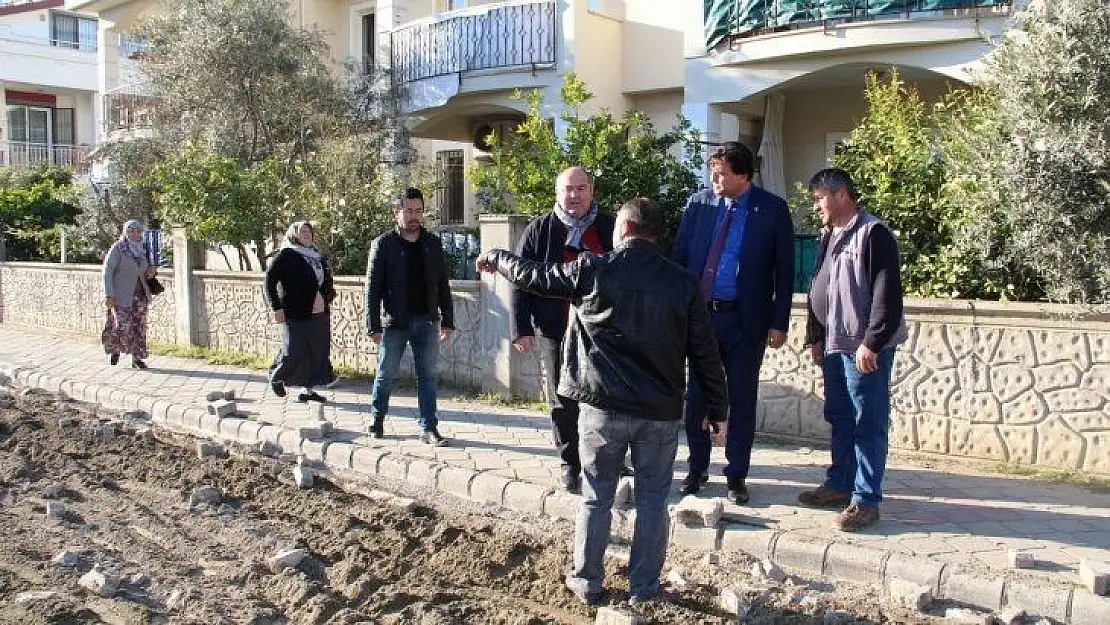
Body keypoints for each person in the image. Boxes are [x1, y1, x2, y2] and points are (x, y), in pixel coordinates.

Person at [477, 198, 728, 605]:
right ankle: (643, 588)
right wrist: (719, 411)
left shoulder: (594, 269)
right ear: (655, 233)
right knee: (652, 503)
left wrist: (495, 256)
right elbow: (705, 353)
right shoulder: (683, 283)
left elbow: (534, 275)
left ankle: (587, 581)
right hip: (659, 415)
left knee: (596, 497)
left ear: (625, 229)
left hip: (602, 409)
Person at [671, 141, 795, 504]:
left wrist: (779, 322)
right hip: (701, 317)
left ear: (743, 175)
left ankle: (736, 474)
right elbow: (680, 256)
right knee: (696, 396)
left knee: (742, 397)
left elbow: (784, 273)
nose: (715, 177)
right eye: (713, 169)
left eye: (722, 172)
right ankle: (696, 468)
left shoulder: (771, 210)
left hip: (745, 321)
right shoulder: (699, 204)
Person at [798, 168, 907, 532]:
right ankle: (840, 483)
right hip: (834, 343)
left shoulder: (873, 233)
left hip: (861, 347)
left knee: (867, 421)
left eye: (819, 199)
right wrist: (815, 337)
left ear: (841, 194)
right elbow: (821, 286)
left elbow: (886, 294)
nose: (815, 207)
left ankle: (866, 499)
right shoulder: (830, 235)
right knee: (840, 416)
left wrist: (871, 343)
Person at [512, 166, 616, 493]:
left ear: (592, 191)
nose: (574, 195)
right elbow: (520, 280)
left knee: (608, 400)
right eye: (568, 189)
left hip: (604, 333)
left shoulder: (610, 227)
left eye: (580, 188)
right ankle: (570, 463)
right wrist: (521, 327)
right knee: (562, 400)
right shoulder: (538, 230)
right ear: (558, 193)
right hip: (555, 330)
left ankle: (609, 460)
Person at [365, 187, 455, 446]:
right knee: (386, 373)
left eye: (418, 210)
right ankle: (376, 419)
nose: (414, 216)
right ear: (397, 213)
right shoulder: (383, 244)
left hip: (427, 320)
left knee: (427, 376)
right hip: (395, 322)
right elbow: (372, 288)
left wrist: (447, 319)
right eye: (408, 211)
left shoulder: (432, 243)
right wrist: (372, 324)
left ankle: (428, 427)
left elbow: (441, 284)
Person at [264, 220, 337, 403]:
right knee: (293, 349)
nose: (307, 234)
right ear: (293, 234)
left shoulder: (316, 256)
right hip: (295, 312)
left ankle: (308, 391)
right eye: (302, 231)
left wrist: (324, 298)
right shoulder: (287, 255)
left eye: (309, 231)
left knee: (315, 352)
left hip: (319, 313)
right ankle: (276, 376)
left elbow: (327, 281)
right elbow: (269, 282)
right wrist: (276, 308)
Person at [101, 219, 156, 369]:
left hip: (140, 295)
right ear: (125, 233)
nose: (135, 234)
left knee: (139, 327)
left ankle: (137, 358)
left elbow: (148, 267)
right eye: (131, 231)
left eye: (138, 231)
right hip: (121, 296)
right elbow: (107, 271)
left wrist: (152, 269)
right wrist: (109, 294)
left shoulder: (144, 249)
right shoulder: (118, 248)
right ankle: (116, 349)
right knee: (121, 326)